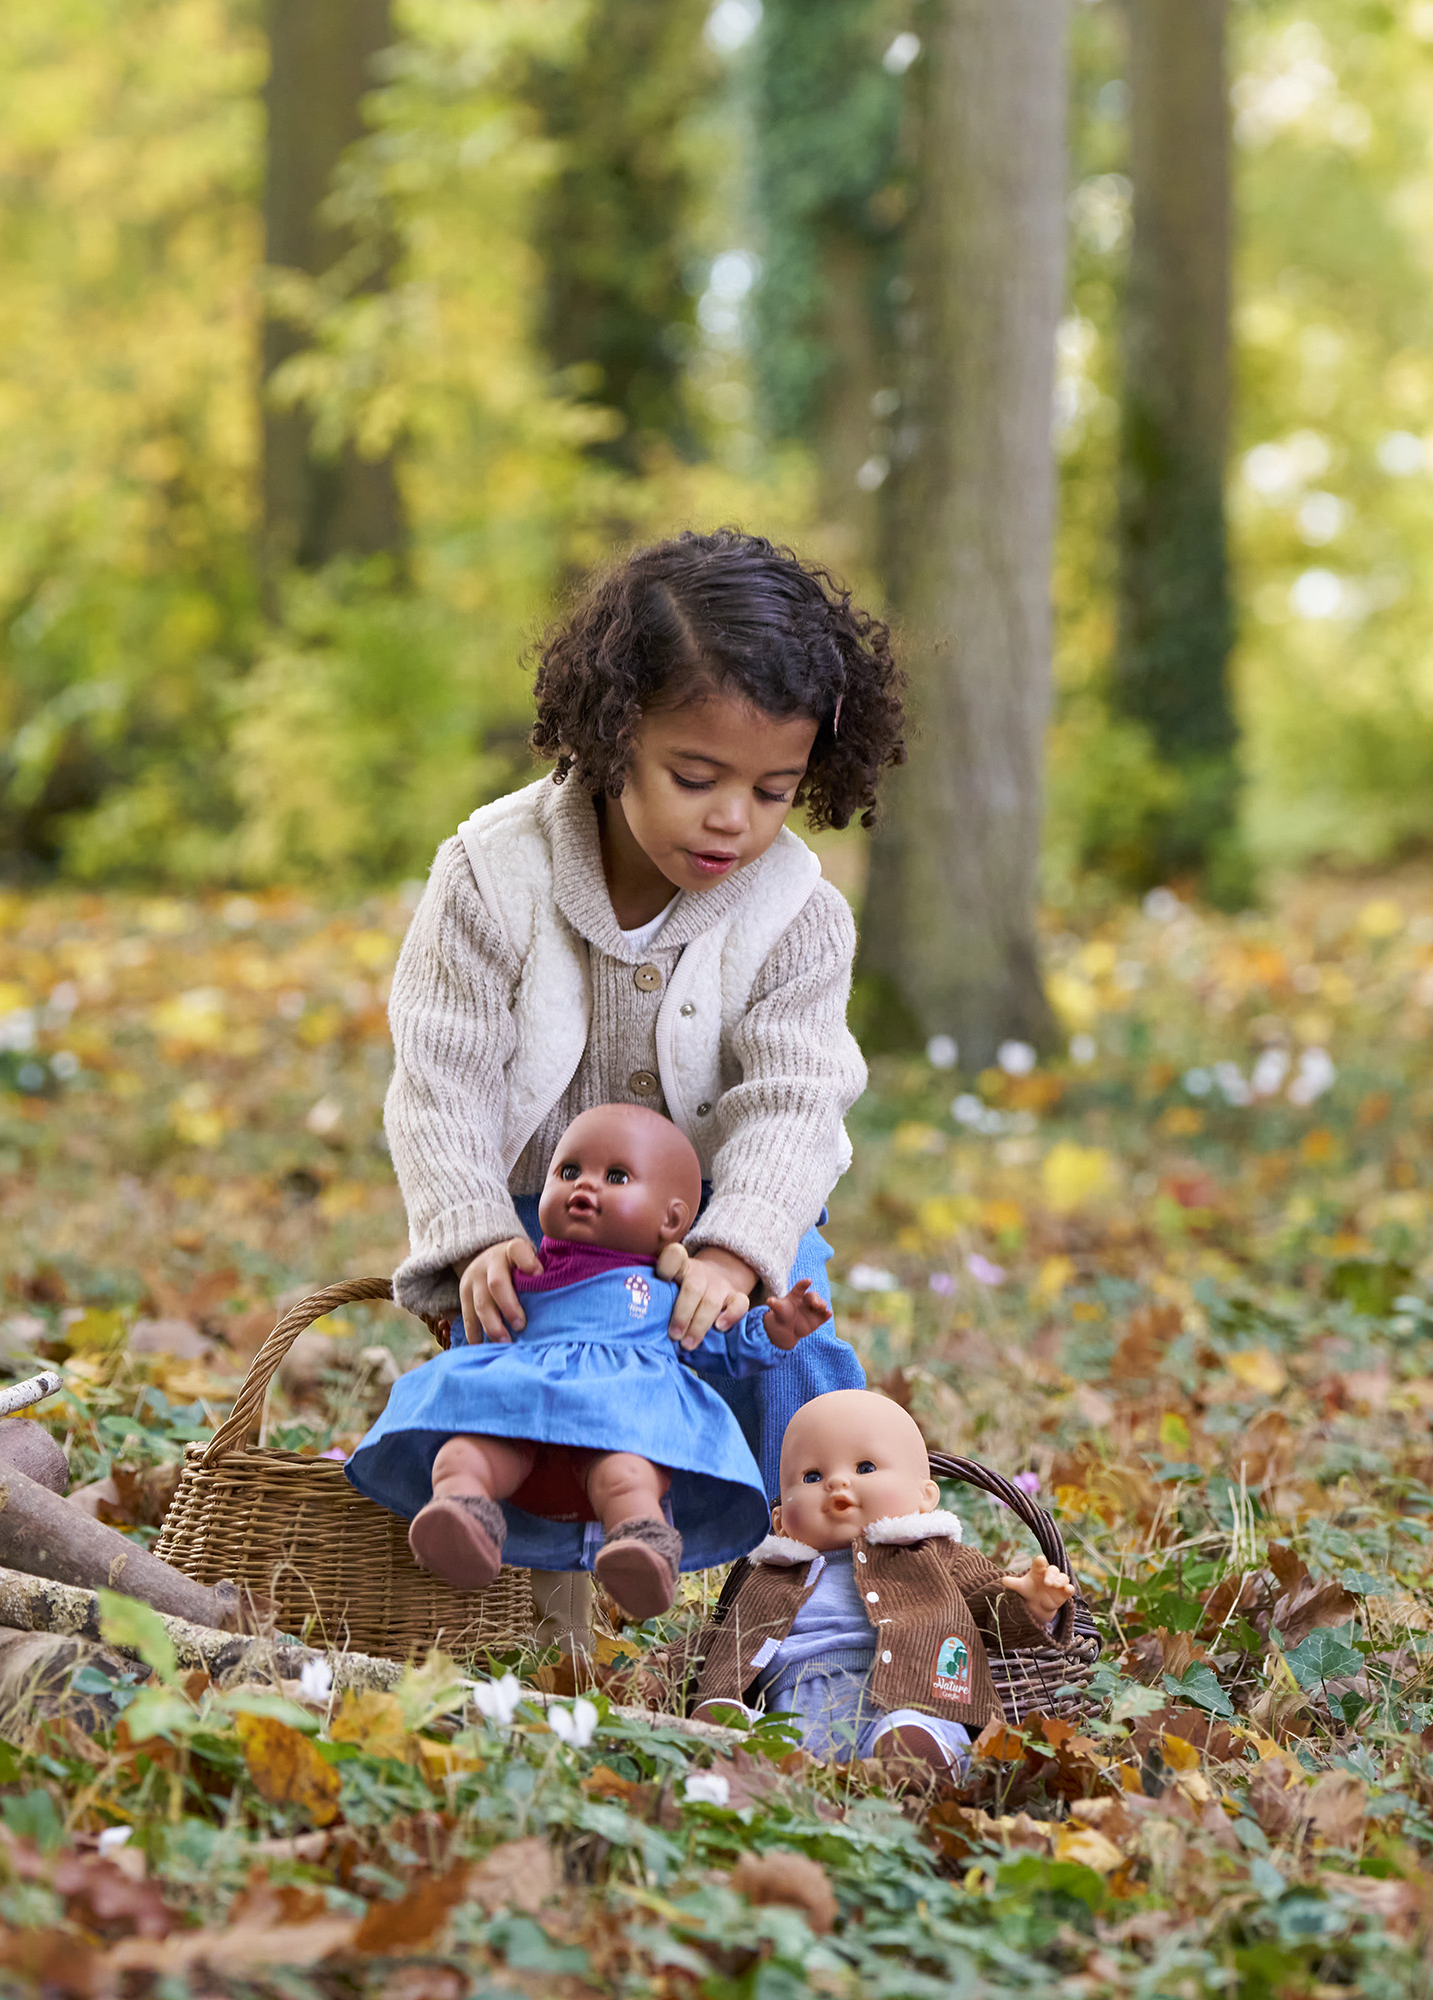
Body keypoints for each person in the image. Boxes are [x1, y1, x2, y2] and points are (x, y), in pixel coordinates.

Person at [381, 529, 907, 1628]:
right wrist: (475, 1229)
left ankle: (836, 1585)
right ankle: (539, 1596)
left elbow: (794, 1093)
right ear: (612, 734)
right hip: (545, 1215)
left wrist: (736, 1240)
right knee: (519, 1386)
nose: (732, 819)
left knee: (778, 1349)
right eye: (695, 776)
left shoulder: (796, 913)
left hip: (717, 1210)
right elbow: (443, 1072)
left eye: (773, 788)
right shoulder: (492, 870)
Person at [346, 1104, 844, 1617]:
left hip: (618, 1428)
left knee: (629, 1477)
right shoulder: (521, 1265)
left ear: (672, 1218)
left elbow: (722, 1342)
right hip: (520, 1422)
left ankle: (639, 1545)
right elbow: (486, 1326)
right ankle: (463, 1517)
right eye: (568, 1172)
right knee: (461, 1454)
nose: (585, 1186)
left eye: (616, 1176)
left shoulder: (666, 1291)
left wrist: (774, 1328)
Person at [684, 1390, 1075, 1777]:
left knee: (916, 1729)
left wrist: (1029, 1602)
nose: (836, 1484)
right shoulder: (770, 1575)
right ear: (781, 1520)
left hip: (907, 1702)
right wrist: (654, 1668)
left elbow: (987, 1602)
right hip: (789, 1716)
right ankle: (750, 1751)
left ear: (925, 1497)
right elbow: (721, 1637)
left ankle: (916, 1760)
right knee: (744, 1729)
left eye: (865, 1468)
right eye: (812, 1476)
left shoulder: (930, 1555)